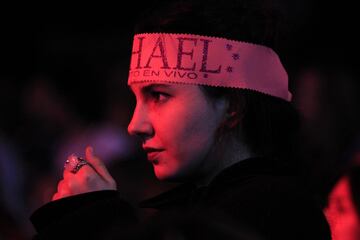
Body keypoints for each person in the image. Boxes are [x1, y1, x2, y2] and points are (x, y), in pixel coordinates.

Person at [29, 0, 331, 239]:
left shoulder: (277, 214)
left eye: (159, 95)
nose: (135, 125)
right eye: (136, 99)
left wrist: (94, 218)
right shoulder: (198, 207)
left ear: (232, 107)